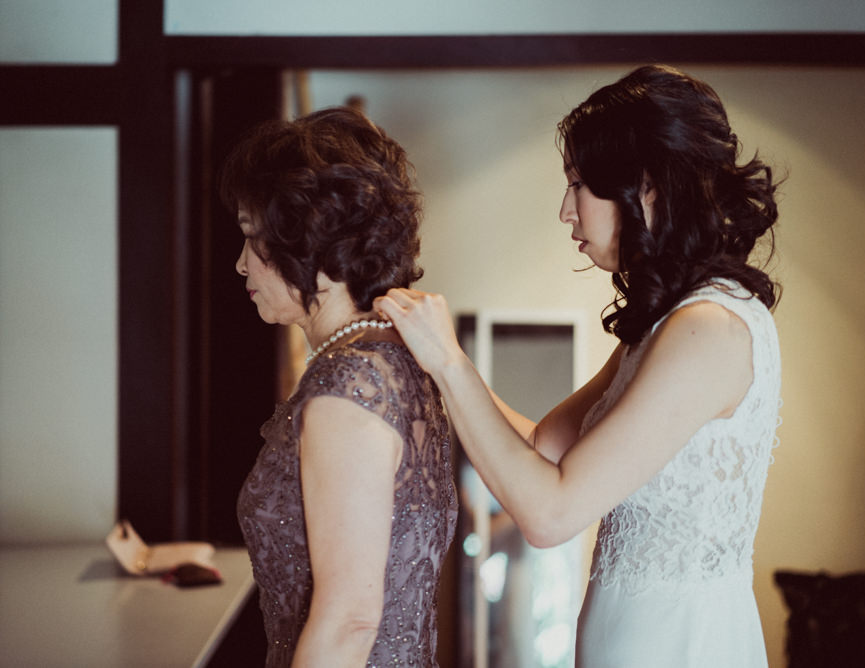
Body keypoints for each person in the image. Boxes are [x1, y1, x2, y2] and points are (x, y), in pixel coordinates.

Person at [376, 64, 782, 667]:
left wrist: (449, 360)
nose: (567, 211)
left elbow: (550, 513)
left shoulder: (710, 329)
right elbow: (545, 448)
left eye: (579, 185)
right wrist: (436, 371)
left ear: (647, 188)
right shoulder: (669, 321)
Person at [224, 106, 458, 667]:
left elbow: (349, 621)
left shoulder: (348, 387)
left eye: (252, 239)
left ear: (312, 248)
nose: (240, 265)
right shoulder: (396, 360)